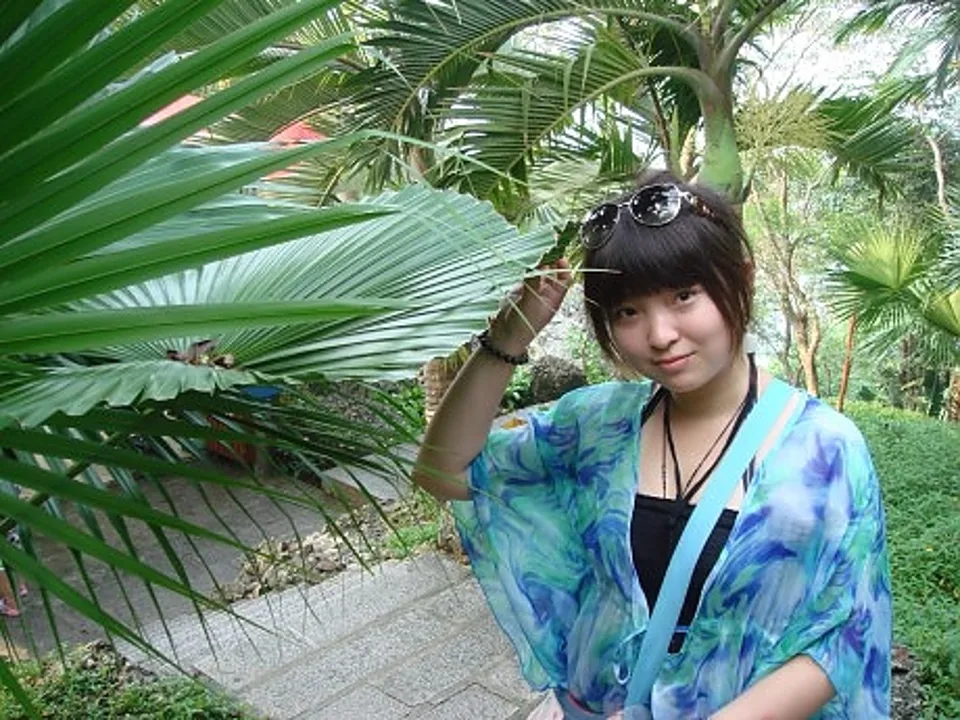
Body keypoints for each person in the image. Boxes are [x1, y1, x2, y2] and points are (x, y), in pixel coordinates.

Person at [412, 171, 892, 719]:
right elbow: (443, 473)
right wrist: (508, 338)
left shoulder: (822, 452)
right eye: (628, 312)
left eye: (684, 296)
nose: (660, 335)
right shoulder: (598, 424)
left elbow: (843, 636)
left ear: (743, 279)